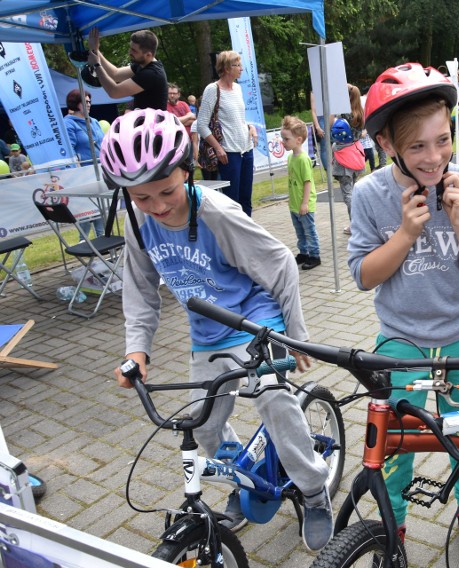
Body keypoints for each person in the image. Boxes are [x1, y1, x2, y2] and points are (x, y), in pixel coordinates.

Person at [101, 108, 333, 551]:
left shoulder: (217, 213)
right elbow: (141, 292)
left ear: (186, 172)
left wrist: (295, 336)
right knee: (201, 426)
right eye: (142, 197)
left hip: (254, 320)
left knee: (273, 401)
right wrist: (138, 351)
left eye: (166, 191)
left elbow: (281, 263)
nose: (158, 206)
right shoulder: (138, 223)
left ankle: (313, 489)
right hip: (208, 332)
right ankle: (242, 475)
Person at [351, 63, 459, 567]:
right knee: (395, 439)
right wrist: (404, 236)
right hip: (402, 337)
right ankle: (391, 526)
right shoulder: (370, 194)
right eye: (417, 147)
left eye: (442, 140)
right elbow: (364, 275)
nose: (435, 157)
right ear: (388, 144)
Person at [197, 51, 258, 217]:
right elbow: (201, 124)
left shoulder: (238, 88)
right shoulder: (213, 89)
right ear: (225, 68)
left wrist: (250, 127)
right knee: (233, 199)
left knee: (246, 198)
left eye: (240, 64)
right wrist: (218, 148)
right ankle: (233, 236)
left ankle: (249, 233)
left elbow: (239, 118)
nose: (241, 68)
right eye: (236, 65)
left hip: (246, 149)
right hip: (229, 153)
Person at [87, 28, 167, 110]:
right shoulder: (142, 64)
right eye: (130, 48)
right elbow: (115, 74)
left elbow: (114, 92)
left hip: (152, 122)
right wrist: (96, 50)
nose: (129, 52)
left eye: (134, 50)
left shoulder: (151, 74)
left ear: (148, 55)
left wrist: (97, 65)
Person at [64, 89, 106, 239]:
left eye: (89, 101)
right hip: (84, 175)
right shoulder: (68, 123)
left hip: (101, 172)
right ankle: (84, 244)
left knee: (102, 210)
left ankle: (103, 241)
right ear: (76, 104)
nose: (89, 104)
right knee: (88, 213)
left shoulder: (94, 121)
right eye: (85, 101)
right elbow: (69, 150)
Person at [281, 116, 321, 270]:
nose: (283, 142)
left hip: (304, 205)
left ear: (298, 140)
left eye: (286, 139)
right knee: (300, 232)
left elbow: (307, 182)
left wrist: (305, 203)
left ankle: (315, 255)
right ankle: (303, 252)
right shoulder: (291, 157)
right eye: (283, 138)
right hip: (294, 204)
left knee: (309, 231)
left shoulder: (303, 159)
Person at [332, 84, 365, 235]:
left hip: (344, 156)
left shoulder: (344, 114)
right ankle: (361, 223)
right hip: (356, 154)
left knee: (348, 194)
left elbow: (331, 126)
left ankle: (355, 225)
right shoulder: (360, 114)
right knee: (355, 192)